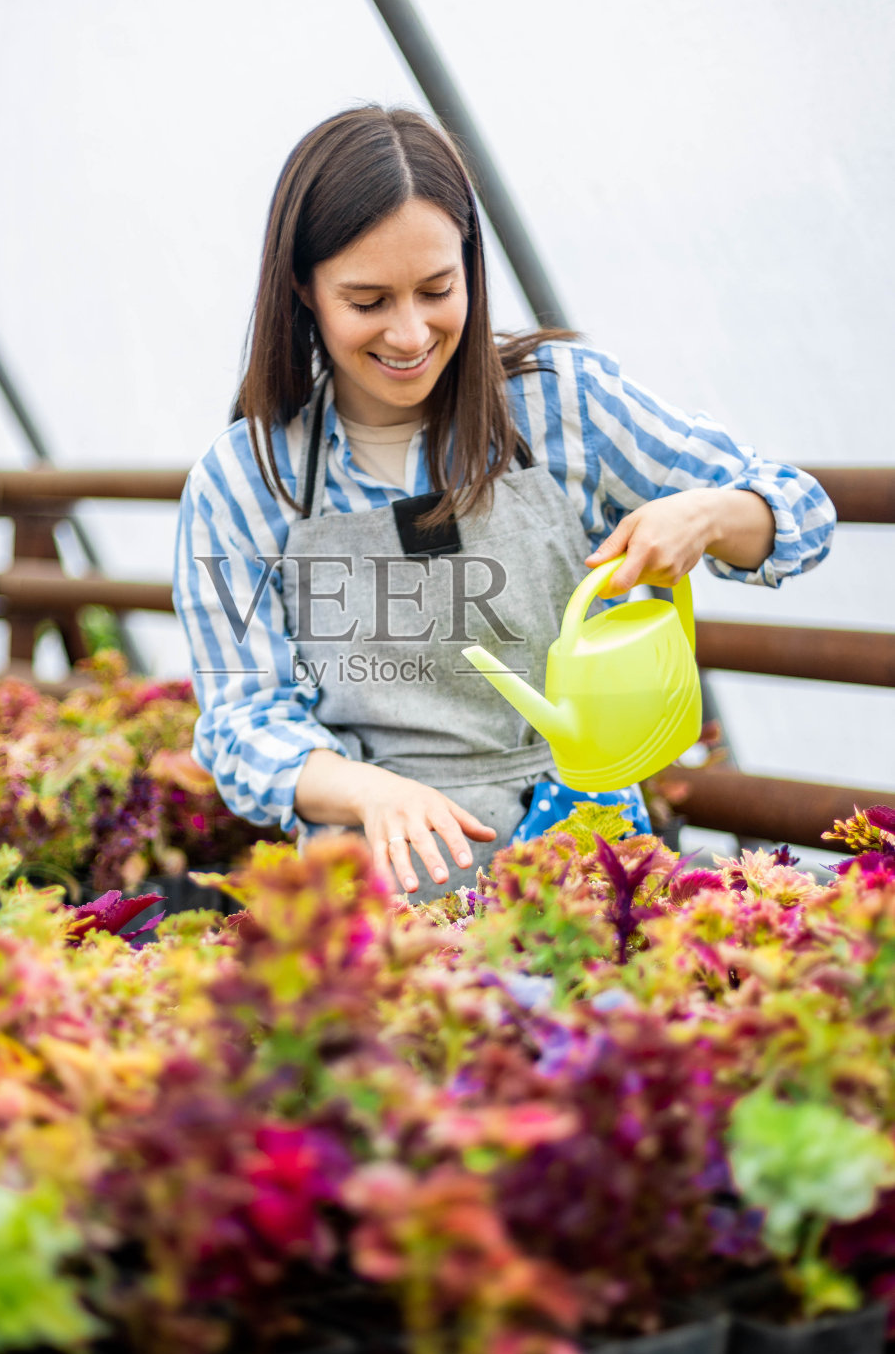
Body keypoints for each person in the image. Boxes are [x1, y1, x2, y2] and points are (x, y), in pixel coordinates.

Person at [174, 107, 835, 900]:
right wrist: (364, 791)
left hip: (584, 854)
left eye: (435, 289)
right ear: (302, 288)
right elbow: (239, 717)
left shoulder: (564, 406)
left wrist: (708, 516)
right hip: (381, 884)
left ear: (470, 268)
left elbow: (799, 511)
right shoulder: (242, 478)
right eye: (368, 301)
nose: (410, 332)